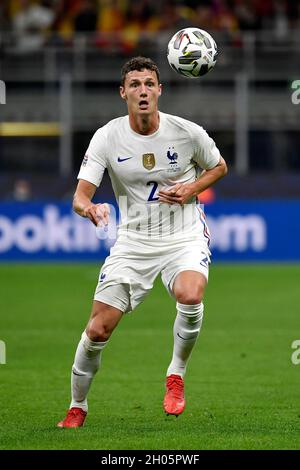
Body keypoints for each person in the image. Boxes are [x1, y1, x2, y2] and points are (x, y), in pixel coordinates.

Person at [57, 56, 227, 428]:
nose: (143, 91)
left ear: (160, 90)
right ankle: (77, 406)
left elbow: (219, 166)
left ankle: (176, 375)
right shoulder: (108, 136)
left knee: (190, 293)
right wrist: (91, 209)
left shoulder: (187, 132)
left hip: (182, 235)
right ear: (123, 93)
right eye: (135, 84)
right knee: (98, 329)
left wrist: (191, 189)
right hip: (133, 241)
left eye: (149, 83)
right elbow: (79, 197)